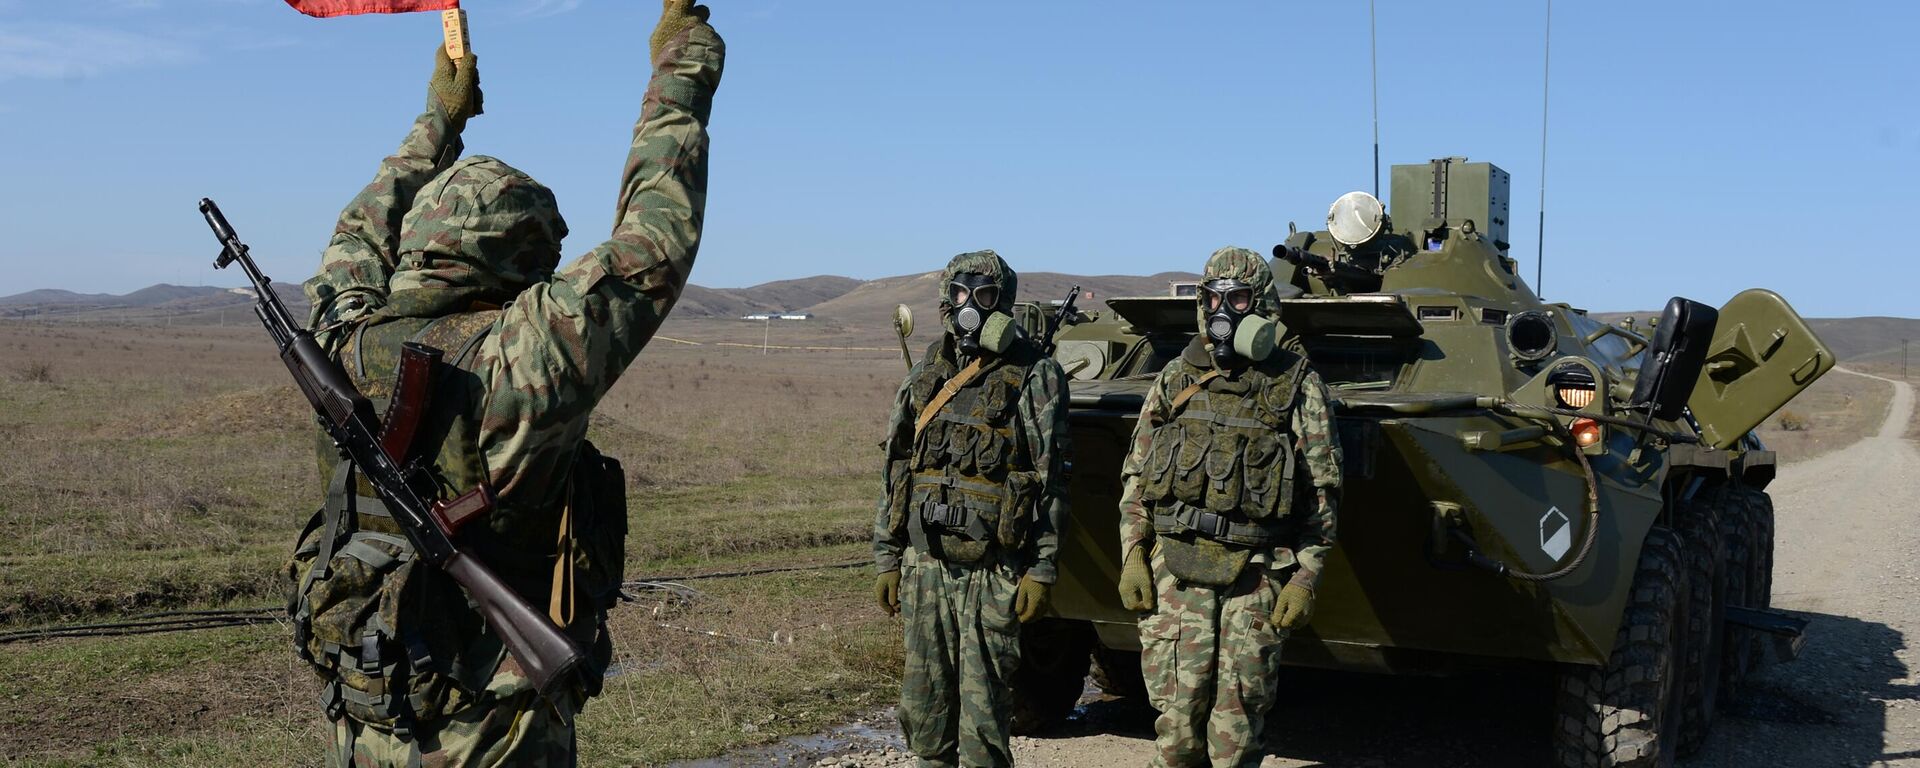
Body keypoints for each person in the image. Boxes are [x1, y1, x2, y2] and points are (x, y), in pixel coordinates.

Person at [283, 2, 724, 764]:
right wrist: (679, 69)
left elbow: (357, 235)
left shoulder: (340, 339)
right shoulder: (524, 356)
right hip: (492, 732)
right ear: (519, 264)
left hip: (369, 718)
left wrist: (437, 120)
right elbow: (654, 239)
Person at [1114, 246, 1342, 767]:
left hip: (1256, 575)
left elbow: (1323, 492)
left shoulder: (1297, 385)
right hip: (1176, 572)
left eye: (1237, 299)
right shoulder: (1175, 378)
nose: (1223, 313)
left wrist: (1307, 575)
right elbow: (1137, 477)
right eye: (1213, 299)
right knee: (1175, 732)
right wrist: (1132, 552)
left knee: (1235, 737)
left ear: (1261, 305)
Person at [873, 251, 1072, 767]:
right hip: (926, 566)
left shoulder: (1036, 375)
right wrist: (887, 557)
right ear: (945, 302)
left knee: (984, 722)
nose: (969, 309)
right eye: (959, 295)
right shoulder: (925, 376)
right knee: (923, 712)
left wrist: (1042, 568)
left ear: (1002, 304)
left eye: (982, 297)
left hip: (993, 571)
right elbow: (897, 468)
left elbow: (1049, 481)